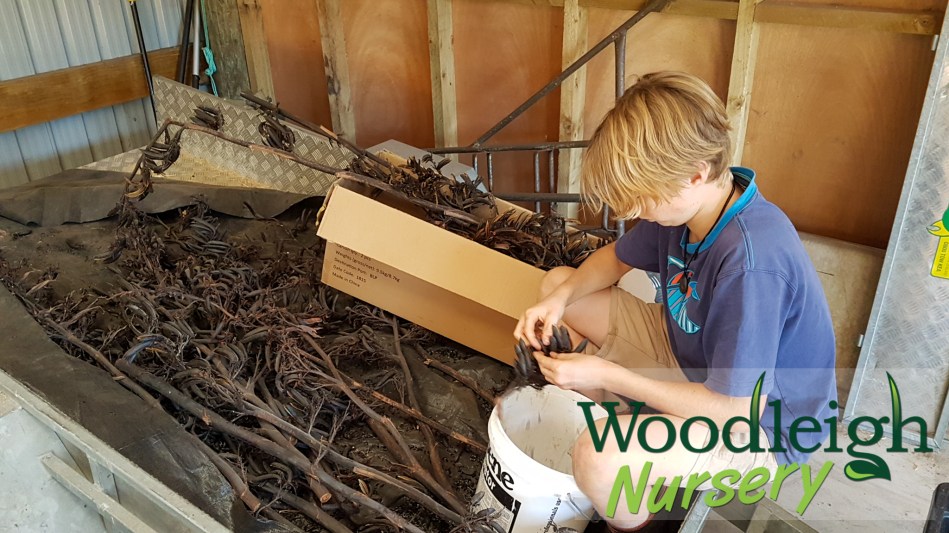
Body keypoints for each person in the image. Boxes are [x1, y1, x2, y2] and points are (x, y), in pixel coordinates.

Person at [513, 71, 837, 532]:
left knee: (598, 456)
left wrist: (608, 372)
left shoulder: (751, 263)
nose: (633, 212)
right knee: (559, 284)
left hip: (756, 427)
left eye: (641, 199)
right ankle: (627, 415)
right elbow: (613, 261)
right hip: (689, 356)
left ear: (695, 173)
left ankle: (638, 517)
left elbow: (732, 411)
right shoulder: (689, 207)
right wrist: (559, 300)